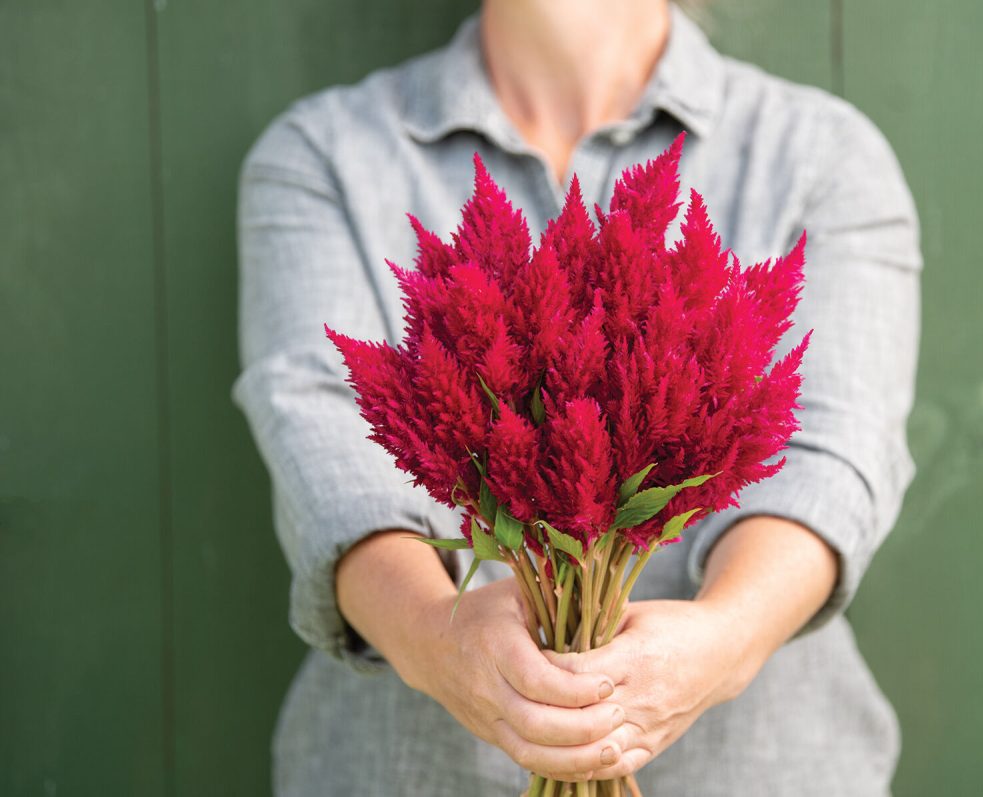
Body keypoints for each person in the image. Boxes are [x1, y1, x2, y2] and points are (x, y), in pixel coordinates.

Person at [233, 0, 921, 794]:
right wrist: (434, 634)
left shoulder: (821, 153)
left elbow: (836, 452)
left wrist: (722, 638)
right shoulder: (323, 154)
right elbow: (321, 439)